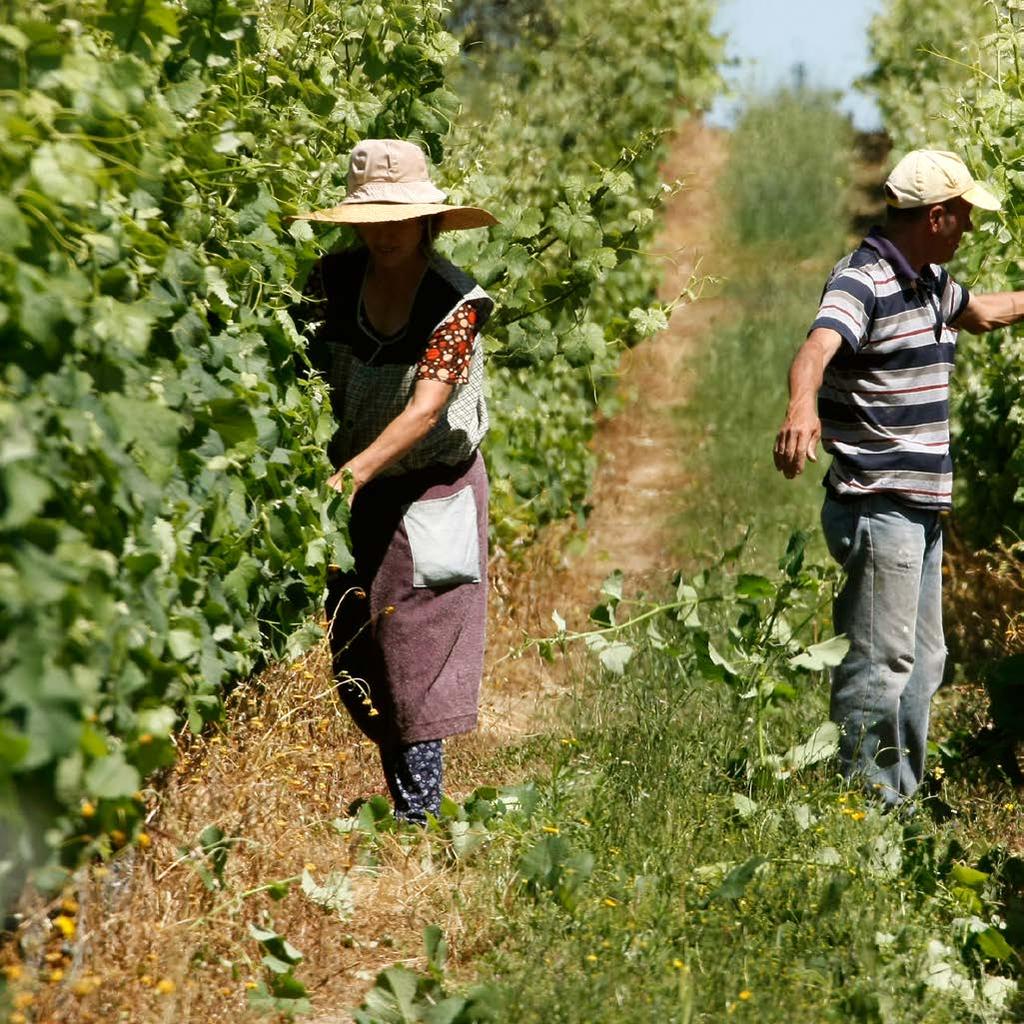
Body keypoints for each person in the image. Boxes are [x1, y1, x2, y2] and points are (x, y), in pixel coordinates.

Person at [773, 149, 1024, 808]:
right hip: (879, 503)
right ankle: (861, 807)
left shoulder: (929, 282)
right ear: (936, 215)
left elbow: (985, 311)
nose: (969, 226)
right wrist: (802, 406)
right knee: (881, 663)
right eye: (964, 214)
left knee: (923, 662)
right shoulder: (864, 280)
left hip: (918, 509)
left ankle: (898, 799)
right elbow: (816, 348)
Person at [291, 139, 498, 823]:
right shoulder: (329, 282)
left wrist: (347, 476)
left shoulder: (455, 300)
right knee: (356, 647)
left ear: (426, 220)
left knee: (419, 652)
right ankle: (410, 802)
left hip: (435, 489)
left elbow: (426, 408)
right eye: (371, 219)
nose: (383, 233)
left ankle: (416, 817)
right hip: (354, 490)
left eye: (397, 218)